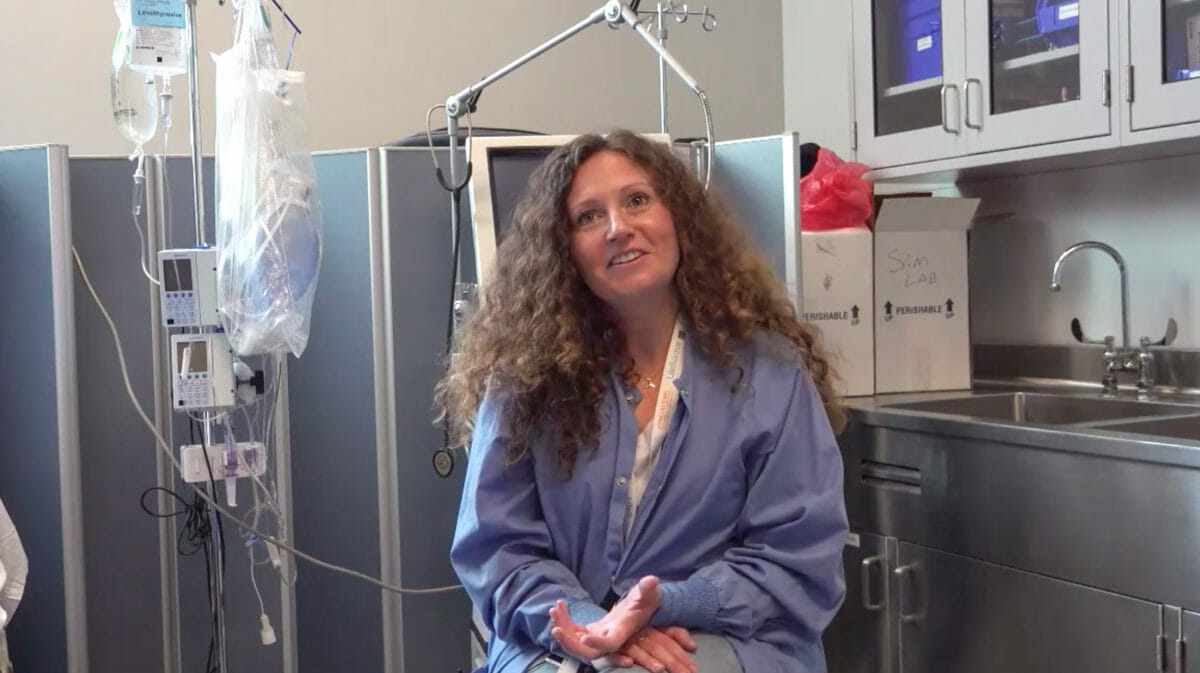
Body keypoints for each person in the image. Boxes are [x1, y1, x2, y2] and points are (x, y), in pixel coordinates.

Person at [439, 130, 848, 673]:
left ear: (678, 215)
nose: (617, 228)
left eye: (637, 200)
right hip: (555, 634)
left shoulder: (769, 373)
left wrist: (665, 606)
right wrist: (590, 624)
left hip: (727, 635)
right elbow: (498, 549)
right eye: (587, 216)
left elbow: (797, 557)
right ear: (563, 249)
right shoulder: (524, 377)